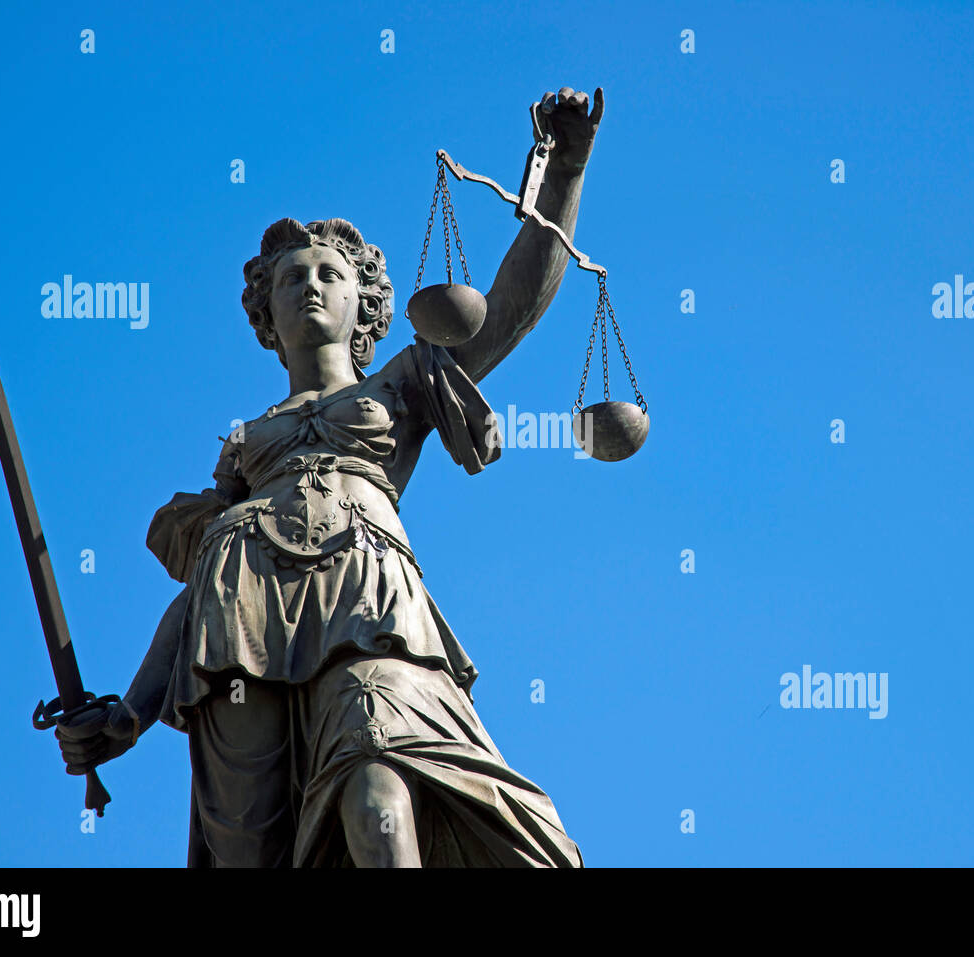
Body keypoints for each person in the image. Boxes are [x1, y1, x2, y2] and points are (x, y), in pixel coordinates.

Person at [55, 87, 604, 867]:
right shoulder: (243, 451)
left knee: (380, 781)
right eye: (290, 278)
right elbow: (196, 591)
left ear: (364, 303)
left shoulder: (405, 385)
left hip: (370, 606)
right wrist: (133, 714)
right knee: (251, 847)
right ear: (266, 315)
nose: (309, 284)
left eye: (329, 273)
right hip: (238, 625)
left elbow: (510, 305)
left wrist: (566, 169)